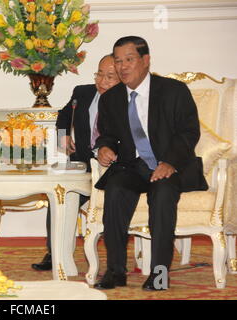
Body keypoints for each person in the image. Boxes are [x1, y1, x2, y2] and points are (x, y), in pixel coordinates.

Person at [93, 36, 208, 290]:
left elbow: (188, 132)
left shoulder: (173, 91)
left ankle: (159, 273)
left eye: (129, 60)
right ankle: (115, 271)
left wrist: (169, 162)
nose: (123, 67)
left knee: (164, 193)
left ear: (145, 61)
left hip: (169, 166)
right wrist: (105, 147)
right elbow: (108, 133)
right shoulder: (111, 99)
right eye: (118, 61)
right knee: (115, 189)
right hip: (133, 167)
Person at [31, 54, 120, 271]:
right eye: (100, 74)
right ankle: (55, 253)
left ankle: (115, 260)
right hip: (81, 167)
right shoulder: (83, 92)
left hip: (113, 170)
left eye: (110, 77)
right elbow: (63, 115)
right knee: (58, 197)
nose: (102, 81)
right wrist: (63, 134)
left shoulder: (127, 101)